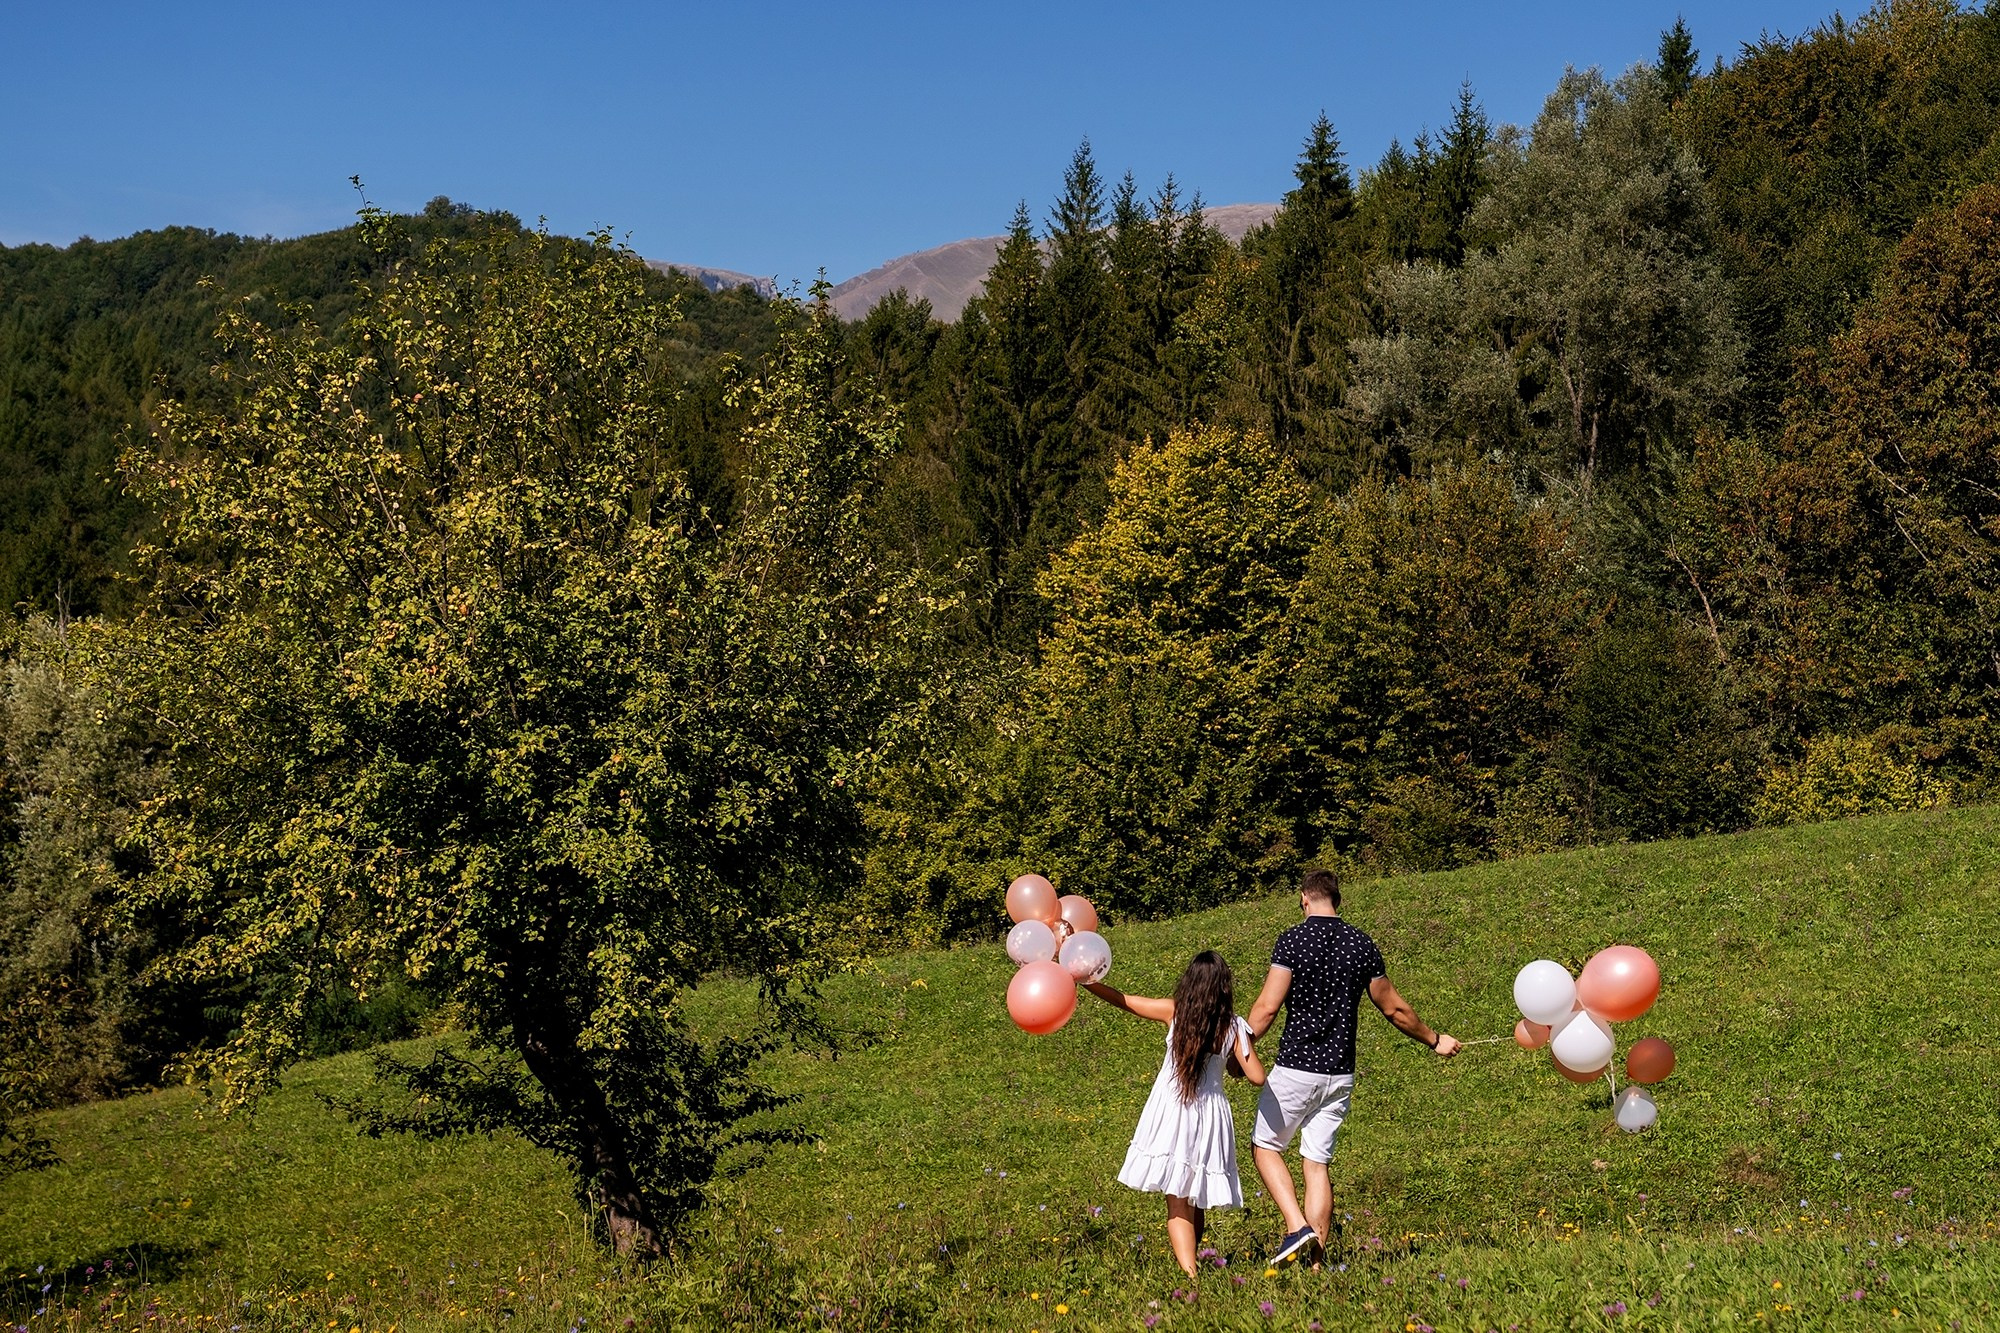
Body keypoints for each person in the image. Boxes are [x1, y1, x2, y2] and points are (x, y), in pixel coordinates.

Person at [1245, 869, 1460, 1265]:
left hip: (1296, 1067)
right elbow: (1394, 1008)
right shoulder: (1361, 943)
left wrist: (1240, 1047)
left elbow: (1267, 1007)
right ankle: (1314, 1265)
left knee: (1265, 1146)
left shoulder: (1292, 941)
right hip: (1340, 1075)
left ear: (1304, 899)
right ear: (1338, 901)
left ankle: (1296, 1226)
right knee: (1316, 1164)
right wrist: (1434, 1039)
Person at [1082, 950, 1267, 1283]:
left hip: (1174, 1110)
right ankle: (1193, 1264)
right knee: (1194, 1191)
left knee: (1178, 1199)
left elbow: (1124, 1001)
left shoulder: (1174, 1011)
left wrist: (1085, 981)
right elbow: (1257, 1076)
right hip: (1210, 1115)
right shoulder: (1233, 1026)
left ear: (1190, 982)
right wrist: (1235, 1055)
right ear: (1224, 987)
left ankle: (1190, 1275)